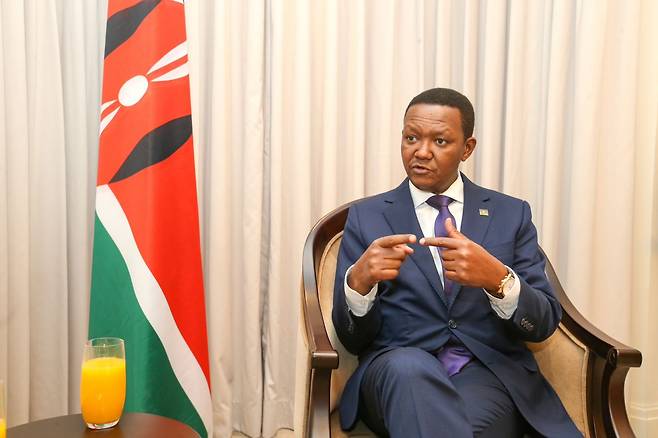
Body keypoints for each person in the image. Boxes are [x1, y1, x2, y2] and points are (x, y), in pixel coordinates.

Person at [332, 88, 581, 437]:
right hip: (396, 371)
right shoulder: (368, 217)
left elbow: (542, 324)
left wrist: (499, 280)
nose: (421, 151)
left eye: (440, 141)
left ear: (467, 148)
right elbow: (351, 338)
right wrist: (359, 284)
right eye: (411, 137)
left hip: (485, 375)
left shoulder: (510, 214)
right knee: (409, 370)